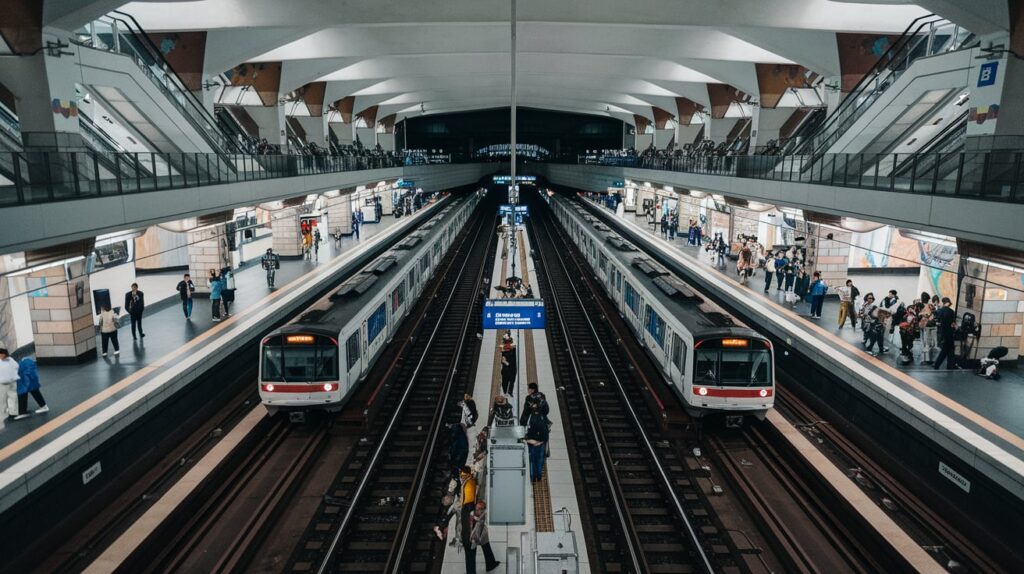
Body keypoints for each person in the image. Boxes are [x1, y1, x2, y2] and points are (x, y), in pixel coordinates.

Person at [468, 501, 502, 573]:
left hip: (479, 534)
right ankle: (490, 564)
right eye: (477, 509)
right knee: (483, 549)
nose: (478, 510)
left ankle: (490, 564)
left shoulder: (479, 515)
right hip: (476, 536)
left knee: (482, 550)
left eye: (480, 509)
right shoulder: (473, 515)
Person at [524, 407, 549, 482]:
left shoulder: (531, 419)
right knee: (540, 460)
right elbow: (546, 434)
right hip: (540, 443)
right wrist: (541, 442)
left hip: (532, 443)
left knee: (532, 460)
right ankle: (538, 476)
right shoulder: (543, 418)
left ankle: (533, 477)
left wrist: (528, 440)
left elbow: (528, 432)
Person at [932, 297, 958, 370]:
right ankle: (942, 365)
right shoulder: (951, 311)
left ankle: (947, 365)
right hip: (949, 332)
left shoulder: (940, 311)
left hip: (942, 332)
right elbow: (953, 323)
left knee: (948, 349)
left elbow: (936, 319)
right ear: (948, 303)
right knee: (947, 349)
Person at [0, 349, 19, 420]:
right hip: (12, 381)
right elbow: (17, 366)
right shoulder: (11, 359)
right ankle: (13, 412)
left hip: (5, 382)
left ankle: (9, 411)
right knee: (12, 397)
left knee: (6, 397)